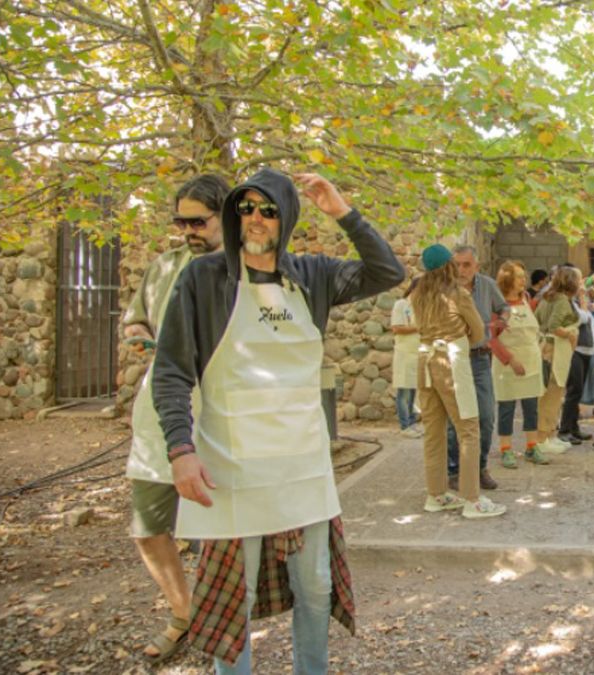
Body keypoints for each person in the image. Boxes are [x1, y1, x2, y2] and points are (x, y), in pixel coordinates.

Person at [153, 168, 404, 672]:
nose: (256, 218)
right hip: (231, 465)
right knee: (233, 598)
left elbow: (386, 273)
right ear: (232, 215)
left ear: (285, 216)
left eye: (268, 209)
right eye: (246, 208)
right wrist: (181, 451)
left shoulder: (312, 274)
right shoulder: (203, 279)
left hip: (303, 464)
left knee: (314, 586)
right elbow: (171, 373)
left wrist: (342, 212)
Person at [122, 173, 229, 663]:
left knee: (222, 525)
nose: (188, 230)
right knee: (148, 524)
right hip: (158, 410)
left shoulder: (245, 270)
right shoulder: (164, 266)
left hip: (221, 409)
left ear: (222, 215)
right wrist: (141, 333)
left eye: (198, 221)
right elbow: (136, 317)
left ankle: (219, 620)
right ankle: (183, 613)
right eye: (181, 221)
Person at [412, 244, 508, 519]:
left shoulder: (418, 294)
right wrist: (460, 332)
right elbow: (478, 332)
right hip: (452, 363)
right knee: (469, 428)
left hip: (426, 362)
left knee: (434, 430)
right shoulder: (458, 295)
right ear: (449, 266)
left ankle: (436, 493)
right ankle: (472, 499)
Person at [446, 245, 510, 491]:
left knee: (485, 415)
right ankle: (454, 470)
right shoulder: (446, 288)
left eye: (466, 265)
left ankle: (480, 467)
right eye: (457, 265)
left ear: (476, 266)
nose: (461, 270)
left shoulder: (486, 284)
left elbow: (503, 306)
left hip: (481, 359)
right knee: (456, 418)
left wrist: (503, 319)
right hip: (454, 358)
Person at [491, 261, 546, 467]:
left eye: (524, 276)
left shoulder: (527, 299)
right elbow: (492, 338)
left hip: (531, 361)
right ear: (507, 279)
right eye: (519, 276)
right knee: (506, 407)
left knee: (531, 407)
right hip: (507, 365)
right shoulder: (498, 306)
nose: (524, 280)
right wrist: (510, 360)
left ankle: (532, 446)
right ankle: (506, 449)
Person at [534, 266, 582, 454]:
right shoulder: (562, 300)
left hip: (545, 347)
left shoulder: (547, 298)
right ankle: (543, 437)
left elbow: (538, 320)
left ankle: (549, 434)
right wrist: (570, 336)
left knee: (550, 393)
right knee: (552, 394)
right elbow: (554, 326)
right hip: (555, 350)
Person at [558, 268, 594, 444]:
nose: (582, 283)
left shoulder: (575, 300)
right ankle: (565, 429)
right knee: (573, 391)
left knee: (578, 391)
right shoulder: (566, 301)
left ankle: (574, 428)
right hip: (575, 349)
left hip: (585, 348)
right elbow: (582, 318)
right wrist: (582, 299)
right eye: (580, 280)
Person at [390, 277, 423, 437]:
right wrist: (418, 328)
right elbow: (397, 328)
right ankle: (404, 426)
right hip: (404, 353)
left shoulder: (421, 307)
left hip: (416, 353)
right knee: (403, 391)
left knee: (412, 390)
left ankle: (411, 422)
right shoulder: (401, 305)